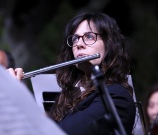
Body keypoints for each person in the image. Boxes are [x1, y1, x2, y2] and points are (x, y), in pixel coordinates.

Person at [7, 12, 136, 135]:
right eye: (75, 39)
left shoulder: (116, 97)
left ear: (109, 46)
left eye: (89, 36)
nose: (79, 44)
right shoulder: (68, 98)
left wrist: (15, 94)